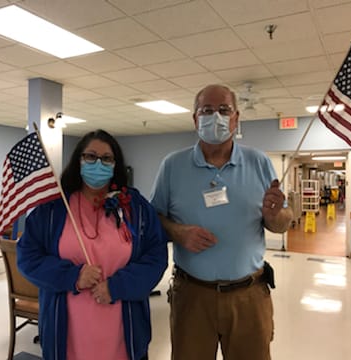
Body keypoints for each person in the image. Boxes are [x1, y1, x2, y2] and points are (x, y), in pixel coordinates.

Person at [150, 84, 293, 360]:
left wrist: (275, 216)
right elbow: (154, 219)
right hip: (192, 295)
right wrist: (178, 232)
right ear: (195, 119)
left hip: (249, 295)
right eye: (207, 110)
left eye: (224, 110)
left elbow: (283, 222)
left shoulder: (259, 162)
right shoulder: (172, 166)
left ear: (236, 118)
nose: (215, 116)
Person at [17, 129, 168, 360]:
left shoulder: (135, 207)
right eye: (90, 156)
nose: (98, 163)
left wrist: (117, 286)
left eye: (106, 158)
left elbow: (155, 256)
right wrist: (73, 277)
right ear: (78, 160)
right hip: (66, 332)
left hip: (123, 328)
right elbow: (28, 258)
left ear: (115, 164)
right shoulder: (52, 210)